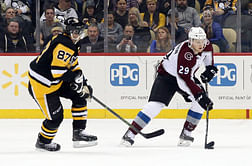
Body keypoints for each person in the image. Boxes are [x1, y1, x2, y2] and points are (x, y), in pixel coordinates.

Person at [121, 27, 218, 147]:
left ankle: (186, 133)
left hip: (186, 76)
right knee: (155, 106)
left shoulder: (207, 44)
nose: (201, 44)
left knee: (200, 103)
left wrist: (209, 69)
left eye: (202, 41)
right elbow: (184, 79)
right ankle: (130, 134)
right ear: (190, 41)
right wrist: (198, 95)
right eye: (197, 41)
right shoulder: (185, 54)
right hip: (166, 77)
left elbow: (208, 59)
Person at [28, 17, 97, 152]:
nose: (76, 33)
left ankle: (78, 133)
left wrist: (83, 82)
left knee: (80, 96)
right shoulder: (64, 44)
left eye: (79, 31)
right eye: (74, 31)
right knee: (56, 119)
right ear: (68, 30)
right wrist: (75, 79)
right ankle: (43, 142)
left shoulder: (72, 43)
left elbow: (72, 65)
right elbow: (57, 71)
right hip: (43, 85)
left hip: (55, 81)